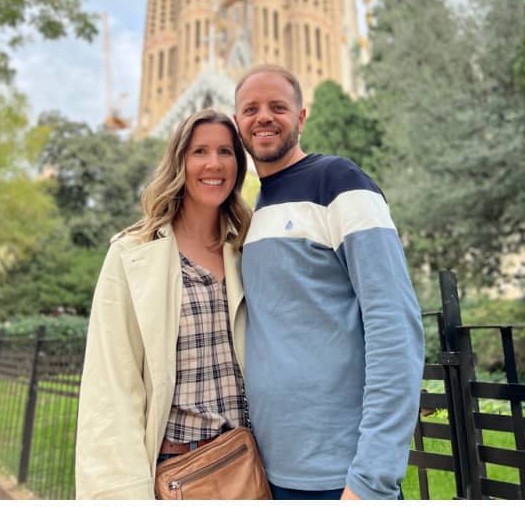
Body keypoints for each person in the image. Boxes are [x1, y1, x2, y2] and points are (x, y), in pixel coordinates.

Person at [233, 64, 423, 500]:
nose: (264, 117)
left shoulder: (339, 182)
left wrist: (372, 478)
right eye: (251, 109)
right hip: (267, 472)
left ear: (300, 118)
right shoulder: (252, 214)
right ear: (238, 124)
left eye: (278, 107)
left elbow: (394, 325)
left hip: (341, 480)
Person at [76, 109, 252, 499]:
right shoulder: (131, 255)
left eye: (226, 151)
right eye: (199, 151)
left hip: (248, 466)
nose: (213, 163)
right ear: (179, 162)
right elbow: (112, 387)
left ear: (238, 166)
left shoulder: (248, 248)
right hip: (176, 474)